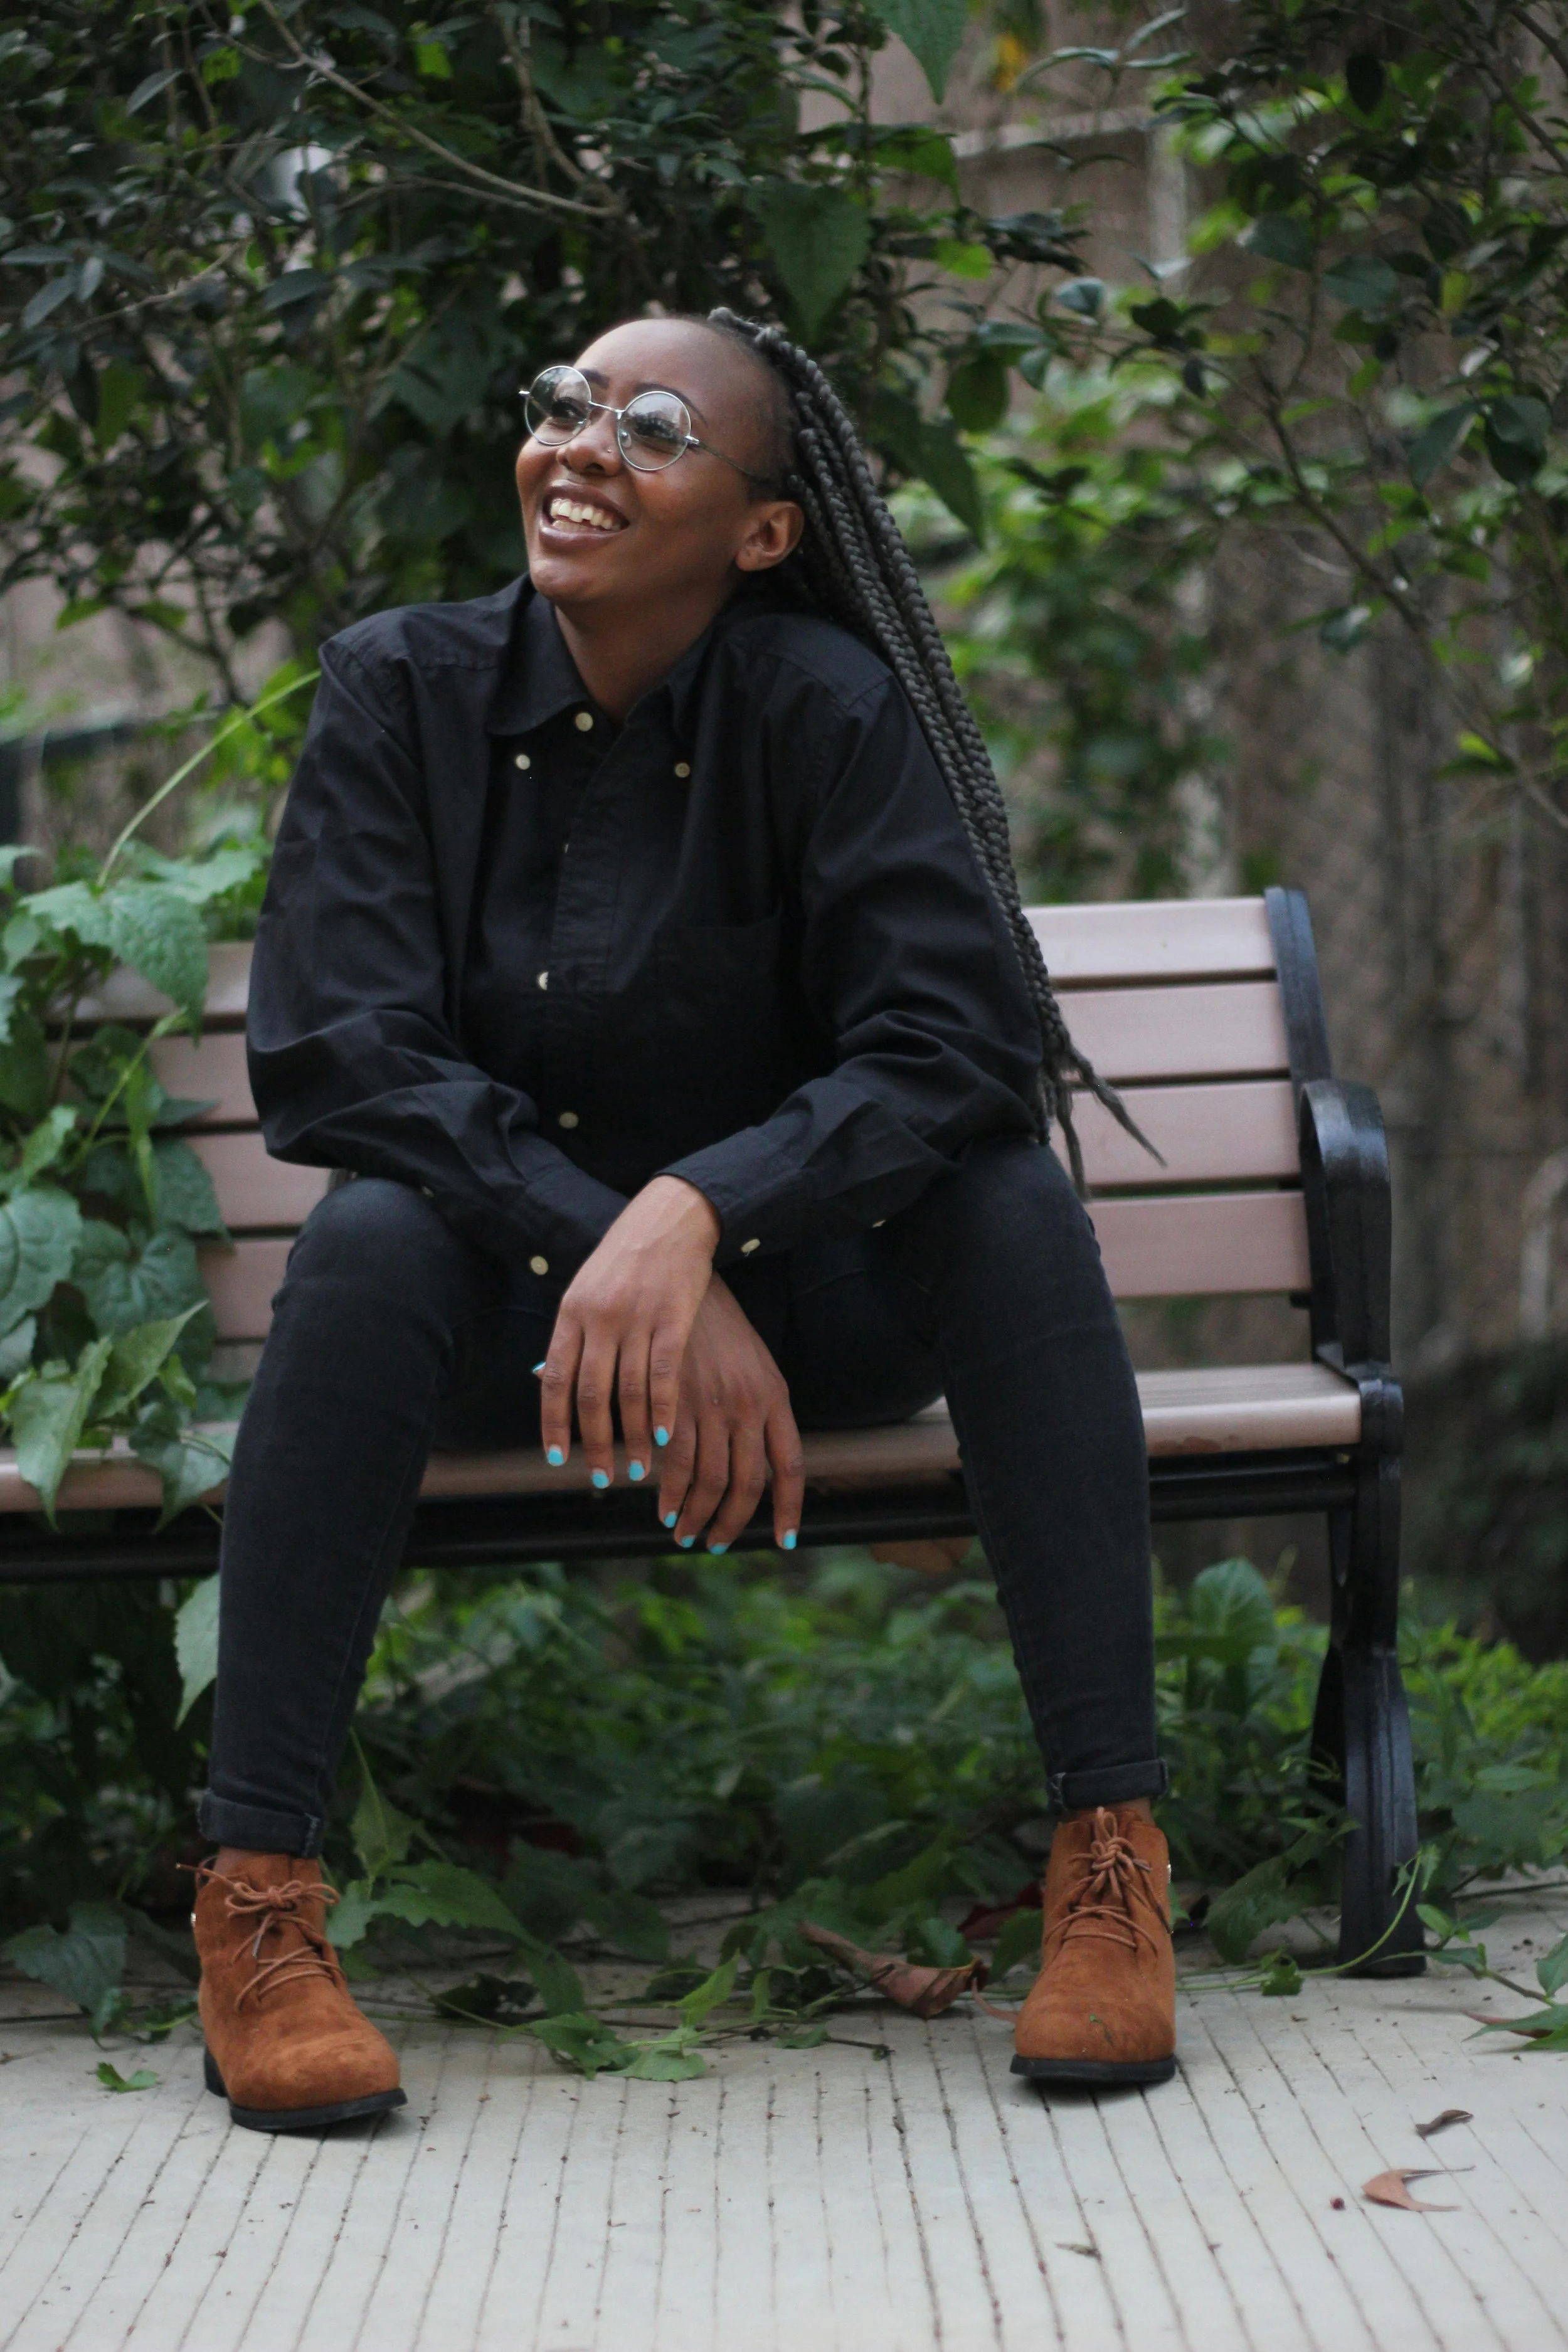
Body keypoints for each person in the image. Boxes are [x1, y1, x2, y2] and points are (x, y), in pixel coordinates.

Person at [189, 310, 1175, 2136]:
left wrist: (706, 1211)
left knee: (1008, 1196)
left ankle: (1110, 1860)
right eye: (559, 402)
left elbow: (954, 1043)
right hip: (518, 1343)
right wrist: (618, 1241)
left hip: (815, 1324)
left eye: (648, 424)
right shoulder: (400, 689)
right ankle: (256, 1906)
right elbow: (338, 1057)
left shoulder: (830, 715)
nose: (578, 443)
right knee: (373, 1238)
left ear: (764, 530)